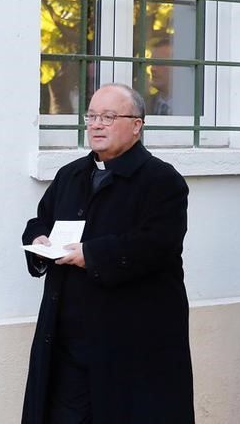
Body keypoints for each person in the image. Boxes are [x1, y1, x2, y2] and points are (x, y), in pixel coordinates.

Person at [21, 83, 194, 423]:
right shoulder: (71, 175)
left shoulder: (162, 181)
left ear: (137, 125)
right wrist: (40, 240)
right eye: (92, 116)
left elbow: (158, 243)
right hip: (68, 340)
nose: (96, 124)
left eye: (109, 117)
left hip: (129, 341)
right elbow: (40, 220)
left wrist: (92, 254)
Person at [147, 38, 173, 115]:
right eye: (152, 62)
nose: (152, 68)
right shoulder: (142, 106)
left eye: (159, 62)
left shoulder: (193, 106)